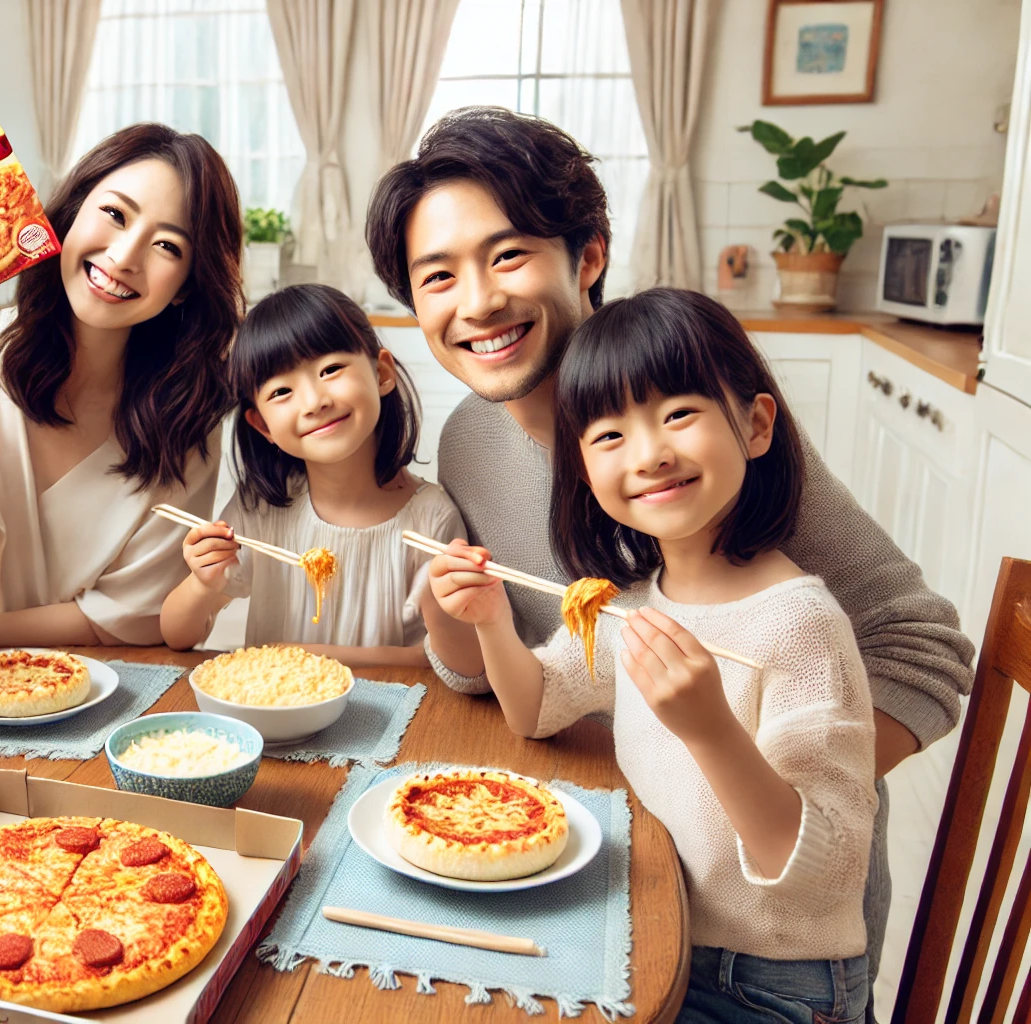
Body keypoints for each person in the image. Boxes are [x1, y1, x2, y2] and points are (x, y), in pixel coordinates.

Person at [365, 105, 974, 987]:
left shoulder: (696, 455)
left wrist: (728, 776)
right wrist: (455, 620)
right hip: (595, 848)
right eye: (437, 278)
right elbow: (515, 676)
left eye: (507, 255)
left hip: (763, 935)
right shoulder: (467, 440)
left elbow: (922, 651)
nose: (479, 302)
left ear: (590, 255)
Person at [429, 289, 876, 1023]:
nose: (650, 453)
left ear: (757, 425)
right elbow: (536, 707)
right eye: (609, 436)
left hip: (767, 980)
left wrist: (709, 729)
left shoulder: (802, 625)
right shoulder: (636, 598)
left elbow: (817, 879)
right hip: (660, 928)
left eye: (677, 414)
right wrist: (487, 621)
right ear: (582, 469)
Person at [0, 123, 243, 661]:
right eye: (115, 215)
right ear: (69, 215)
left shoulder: (187, 413)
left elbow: (133, 615)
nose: (123, 257)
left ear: (187, 283)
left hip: (90, 687)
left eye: (167, 245)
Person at [159, 284, 467, 665]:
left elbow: (445, 661)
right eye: (282, 391)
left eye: (331, 369)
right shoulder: (262, 508)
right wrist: (202, 584)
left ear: (382, 373)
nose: (314, 402)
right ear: (263, 426)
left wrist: (311, 656)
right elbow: (177, 636)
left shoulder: (432, 519)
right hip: (273, 715)